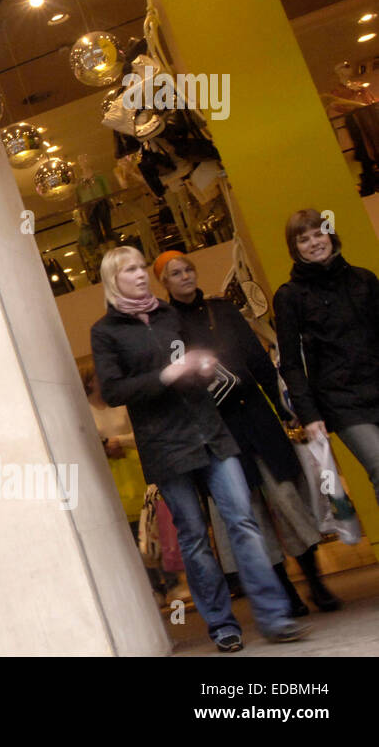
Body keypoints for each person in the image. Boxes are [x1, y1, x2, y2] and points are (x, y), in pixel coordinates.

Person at [90, 246, 310, 651]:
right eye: (130, 270)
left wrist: (200, 366)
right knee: (193, 536)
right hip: (166, 445)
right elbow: (115, 389)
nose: (140, 275)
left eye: (142, 268)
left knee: (242, 521)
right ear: (113, 279)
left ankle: (275, 616)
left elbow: (190, 361)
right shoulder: (105, 332)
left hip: (212, 432)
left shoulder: (169, 315)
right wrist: (166, 374)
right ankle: (223, 626)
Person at [157, 250, 339, 615]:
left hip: (258, 416)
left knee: (287, 499)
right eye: (175, 273)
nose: (185, 277)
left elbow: (258, 361)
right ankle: (285, 592)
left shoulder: (223, 310)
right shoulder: (167, 327)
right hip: (218, 429)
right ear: (164, 282)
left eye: (188, 269)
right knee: (249, 512)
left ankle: (316, 584)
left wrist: (285, 411)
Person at [273, 209, 379, 508]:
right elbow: (291, 362)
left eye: (318, 234)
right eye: (303, 239)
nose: (314, 243)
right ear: (295, 249)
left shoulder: (364, 280)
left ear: (330, 235)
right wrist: (309, 414)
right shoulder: (290, 296)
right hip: (342, 401)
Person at [78, 360, 182, 607]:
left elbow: (139, 433)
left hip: (136, 470)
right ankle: (153, 588)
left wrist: (118, 441)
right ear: (91, 381)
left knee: (154, 528)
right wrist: (104, 447)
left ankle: (173, 583)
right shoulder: (84, 411)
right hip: (113, 477)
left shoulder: (121, 405)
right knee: (133, 536)